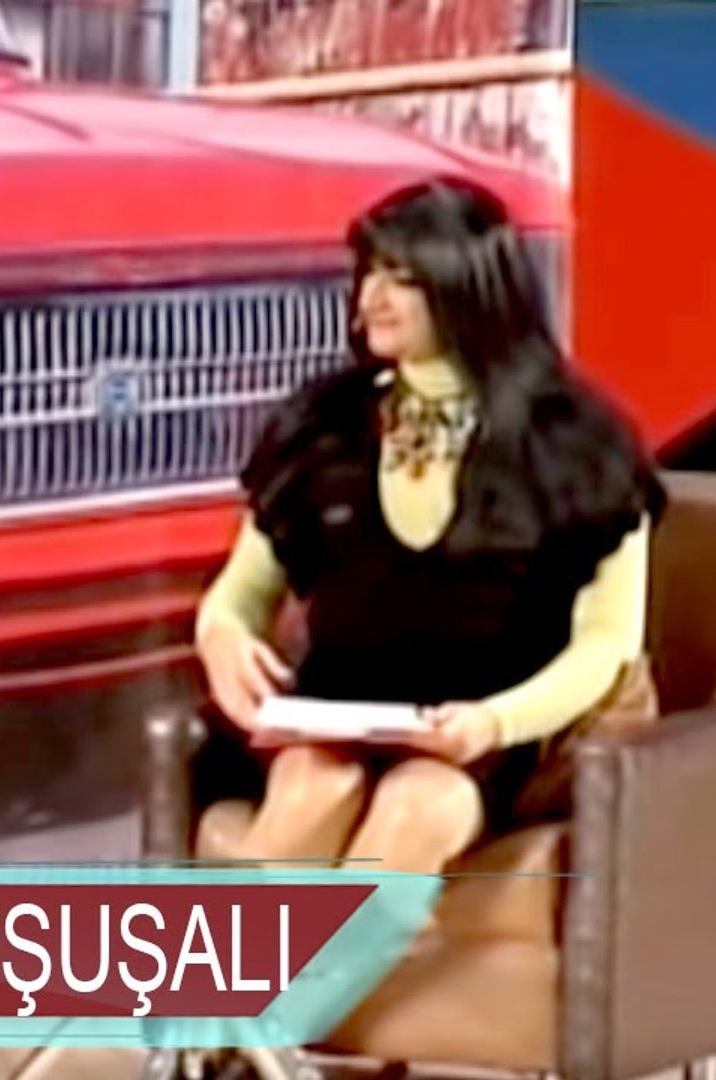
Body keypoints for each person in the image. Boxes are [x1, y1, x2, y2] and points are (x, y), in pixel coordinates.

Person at [193, 175, 664, 879]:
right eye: (369, 273)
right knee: (315, 785)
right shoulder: (322, 426)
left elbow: (608, 644)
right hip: (335, 717)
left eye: (402, 278)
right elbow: (240, 592)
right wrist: (221, 633)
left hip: (486, 731)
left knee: (420, 803)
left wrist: (493, 722)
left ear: (468, 287)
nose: (371, 298)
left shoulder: (577, 443)